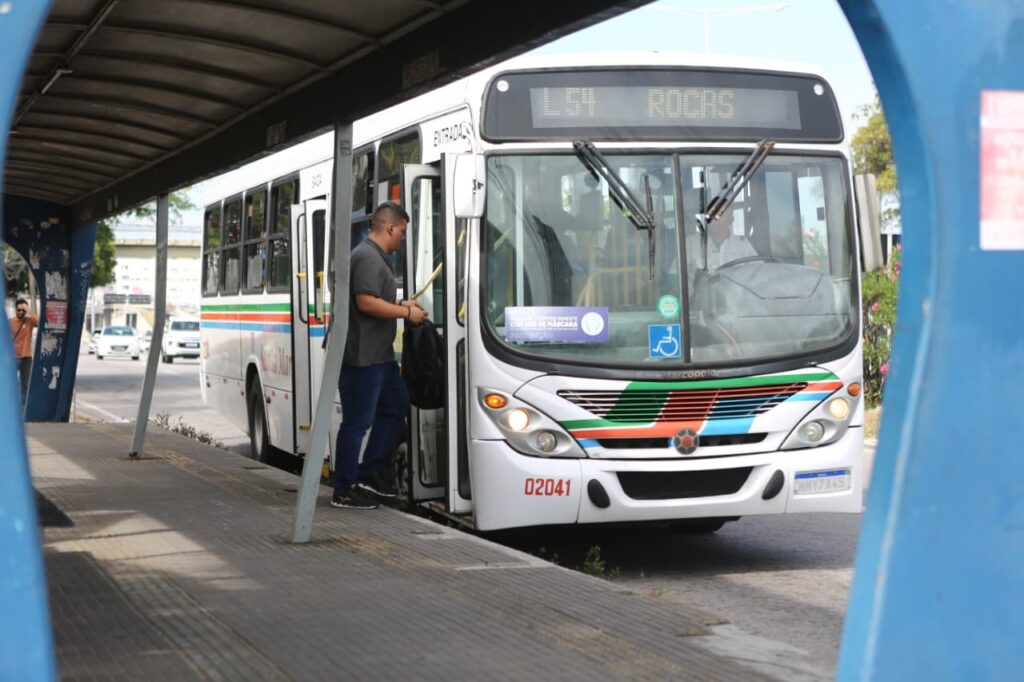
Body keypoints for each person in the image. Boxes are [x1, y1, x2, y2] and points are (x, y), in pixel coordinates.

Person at [332, 201, 428, 510]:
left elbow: (376, 297)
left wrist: (402, 304)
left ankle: (368, 473)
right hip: (363, 359)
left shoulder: (373, 256)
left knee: (396, 406)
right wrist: (406, 313)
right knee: (357, 424)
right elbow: (366, 303)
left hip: (380, 358)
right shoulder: (368, 258)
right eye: (402, 231)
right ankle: (344, 489)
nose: (403, 238)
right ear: (389, 228)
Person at [685, 209, 758, 291]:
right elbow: (675, 276)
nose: (713, 220)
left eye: (718, 215)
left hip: (734, 298)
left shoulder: (742, 244)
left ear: (730, 219)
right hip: (698, 298)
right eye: (710, 215)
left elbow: (758, 273)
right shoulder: (690, 243)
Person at [9, 297, 38, 409]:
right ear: (15, 309)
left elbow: (39, 321)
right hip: (13, 358)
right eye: (19, 310)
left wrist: (28, 309)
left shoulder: (29, 321)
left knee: (25, 385)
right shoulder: (10, 322)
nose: (21, 312)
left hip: (26, 357)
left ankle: (22, 409)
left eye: (23, 310)